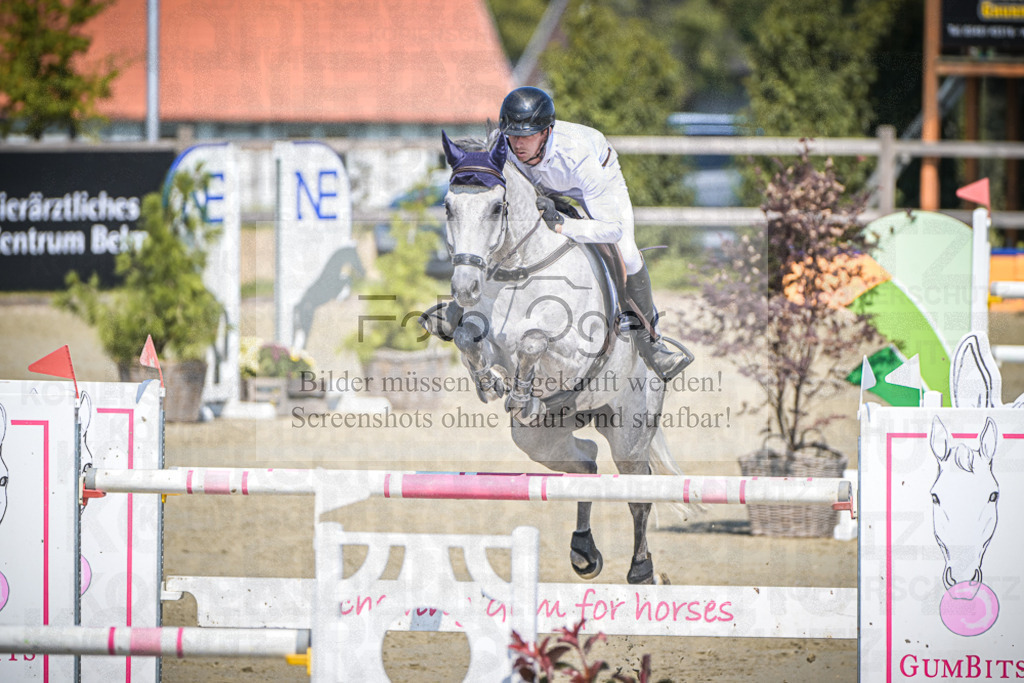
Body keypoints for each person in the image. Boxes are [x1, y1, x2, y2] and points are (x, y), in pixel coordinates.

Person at [498, 86, 692, 381]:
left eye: (527, 135)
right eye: (512, 134)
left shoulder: (577, 155)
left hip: (596, 177)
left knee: (626, 252)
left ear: (547, 132)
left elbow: (611, 227)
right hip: (544, 184)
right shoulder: (504, 147)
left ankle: (652, 343)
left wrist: (564, 225)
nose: (518, 143)